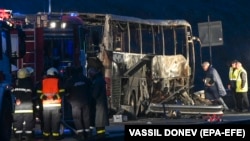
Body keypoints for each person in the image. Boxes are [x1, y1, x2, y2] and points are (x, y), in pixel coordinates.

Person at [36, 67, 65, 140]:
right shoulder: (58, 81)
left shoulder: (43, 82)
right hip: (56, 105)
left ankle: (46, 136)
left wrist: (43, 97)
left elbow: (38, 92)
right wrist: (56, 97)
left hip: (46, 106)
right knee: (55, 122)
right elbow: (62, 91)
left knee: (46, 122)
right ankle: (55, 136)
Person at [64, 66, 92, 140]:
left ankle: (81, 134)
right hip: (85, 102)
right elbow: (91, 88)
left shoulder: (70, 81)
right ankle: (88, 133)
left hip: (75, 103)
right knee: (86, 118)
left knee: (77, 118)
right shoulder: (85, 79)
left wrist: (69, 100)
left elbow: (66, 92)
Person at [11, 68, 35, 141]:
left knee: (18, 121)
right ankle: (29, 137)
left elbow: (12, 92)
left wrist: (17, 99)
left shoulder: (15, 82)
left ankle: (18, 137)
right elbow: (31, 93)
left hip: (18, 106)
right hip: (28, 105)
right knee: (28, 122)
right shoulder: (29, 82)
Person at [88, 67, 109, 139]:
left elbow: (94, 94)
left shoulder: (97, 81)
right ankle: (101, 135)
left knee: (99, 121)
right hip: (100, 104)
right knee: (100, 122)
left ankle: (100, 135)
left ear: (93, 73)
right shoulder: (99, 79)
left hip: (99, 104)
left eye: (90, 73)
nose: (90, 75)